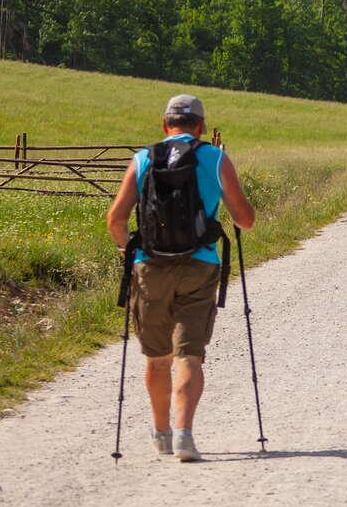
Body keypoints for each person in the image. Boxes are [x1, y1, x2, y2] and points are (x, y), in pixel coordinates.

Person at [105, 94, 257, 463]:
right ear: (201, 127)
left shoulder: (143, 159)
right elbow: (245, 219)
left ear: (164, 125)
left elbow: (115, 220)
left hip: (149, 266)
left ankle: (161, 434)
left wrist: (135, 251)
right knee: (189, 355)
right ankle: (185, 438)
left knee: (157, 358)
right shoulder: (215, 157)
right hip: (199, 265)